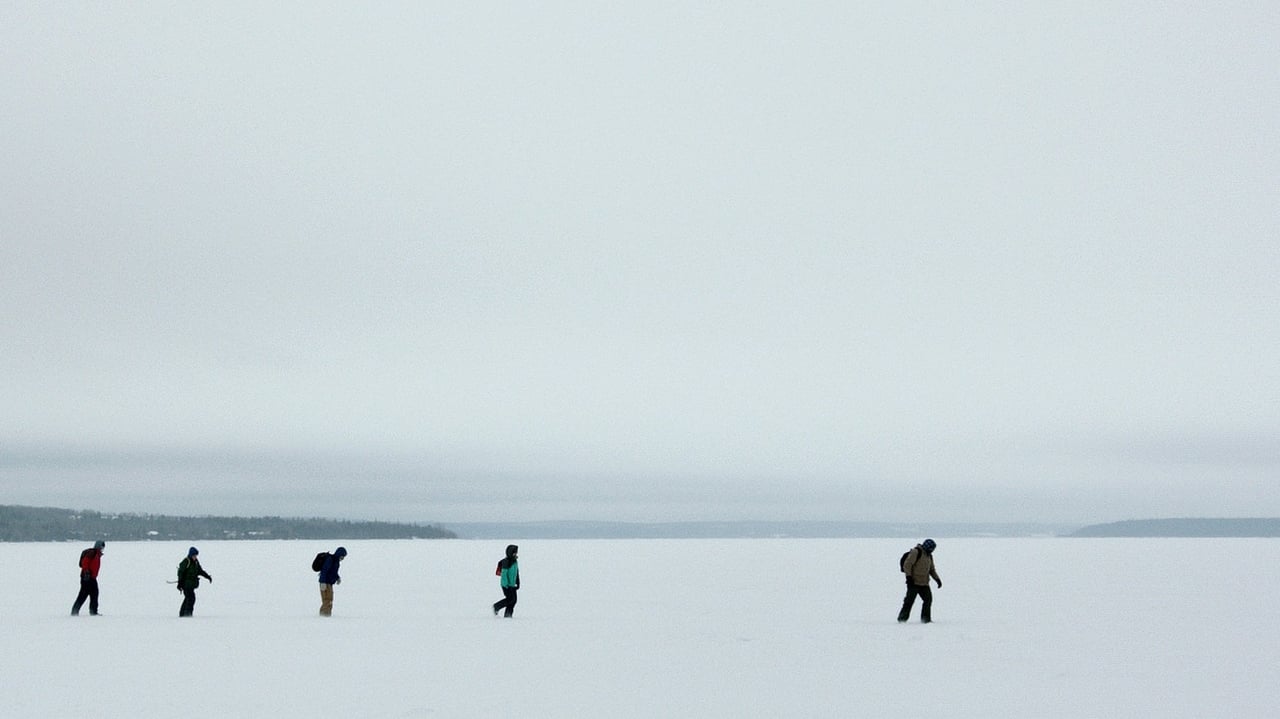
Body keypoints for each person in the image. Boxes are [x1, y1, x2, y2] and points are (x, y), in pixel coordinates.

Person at [898, 538, 942, 623]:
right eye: (931, 549)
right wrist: (909, 577)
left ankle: (926, 619)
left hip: (924, 583)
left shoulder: (929, 556)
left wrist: (937, 579)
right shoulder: (916, 552)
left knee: (928, 600)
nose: (932, 551)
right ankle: (902, 619)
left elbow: (931, 570)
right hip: (913, 582)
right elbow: (907, 565)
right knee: (909, 601)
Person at [71, 540, 105, 616]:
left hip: (92, 578)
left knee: (94, 594)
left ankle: (93, 611)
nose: (102, 549)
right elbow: (85, 562)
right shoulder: (92, 553)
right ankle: (74, 612)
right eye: (101, 547)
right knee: (83, 595)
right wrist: (86, 572)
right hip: (87, 578)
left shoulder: (97, 554)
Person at [176, 546, 213, 617]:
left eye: (196, 555)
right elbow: (180, 572)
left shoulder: (196, 562)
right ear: (190, 555)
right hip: (186, 585)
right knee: (191, 598)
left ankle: (182, 614)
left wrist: (207, 576)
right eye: (194, 555)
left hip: (191, 584)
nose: (195, 557)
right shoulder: (186, 561)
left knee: (188, 598)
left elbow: (200, 571)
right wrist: (179, 583)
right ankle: (187, 614)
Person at [491, 544, 520, 618]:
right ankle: (496, 607)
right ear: (510, 553)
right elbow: (504, 575)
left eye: (516, 553)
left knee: (513, 600)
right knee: (510, 599)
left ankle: (508, 615)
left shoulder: (514, 561)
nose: (515, 554)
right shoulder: (506, 562)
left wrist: (518, 582)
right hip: (506, 585)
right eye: (514, 553)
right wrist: (506, 585)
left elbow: (516, 573)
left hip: (512, 585)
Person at [318, 546, 347, 617]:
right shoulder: (330, 560)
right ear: (339, 554)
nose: (342, 558)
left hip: (330, 583)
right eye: (342, 556)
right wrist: (322, 582)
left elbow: (333, 572)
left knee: (329, 600)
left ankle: (327, 615)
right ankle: (324, 616)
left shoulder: (336, 562)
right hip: (325, 583)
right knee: (327, 600)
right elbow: (324, 571)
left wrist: (337, 578)